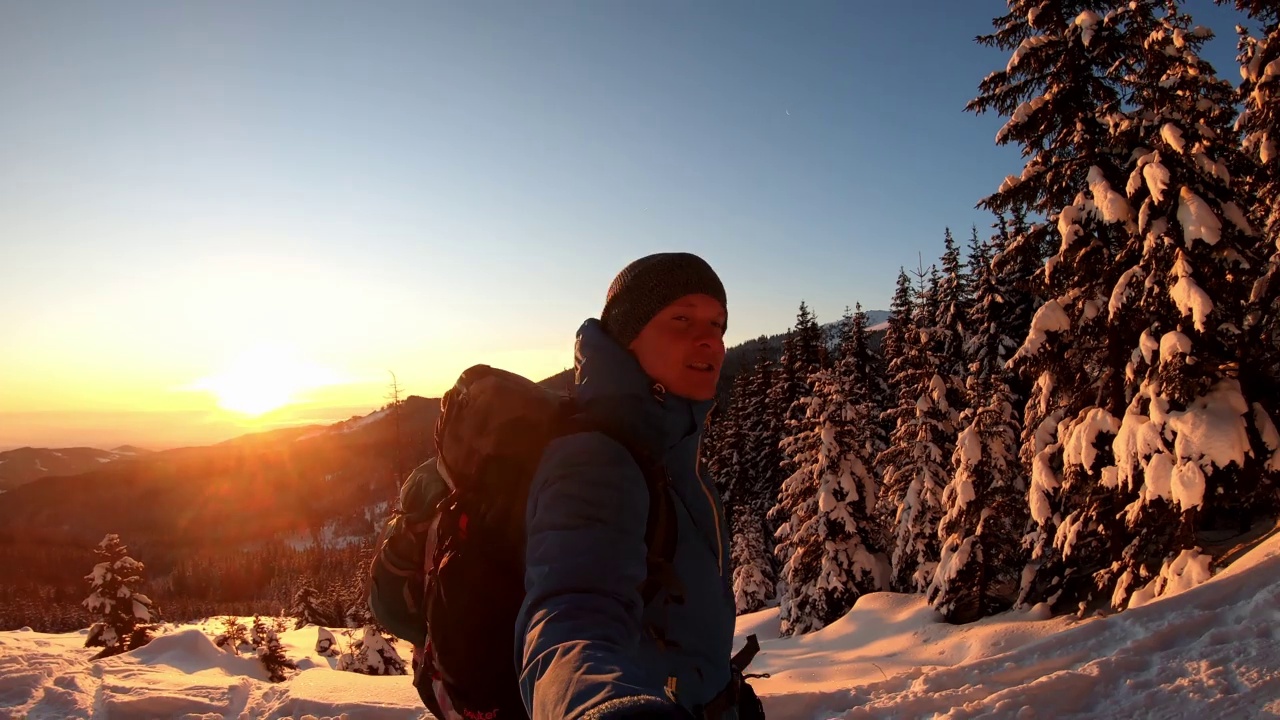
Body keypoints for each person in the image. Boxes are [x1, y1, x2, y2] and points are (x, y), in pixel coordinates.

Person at [516, 252, 741, 719]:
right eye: (681, 319)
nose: (710, 341)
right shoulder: (595, 459)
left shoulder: (669, 446)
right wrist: (608, 708)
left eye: (718, 325)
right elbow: (569, 618)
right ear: (628, 336)